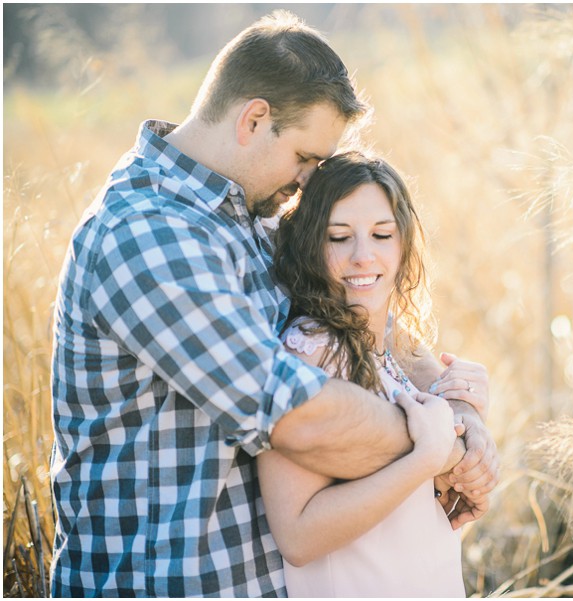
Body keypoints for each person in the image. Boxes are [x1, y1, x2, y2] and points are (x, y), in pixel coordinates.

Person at [48, 11, 498, 597]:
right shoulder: (145, 236)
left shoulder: (249, 218)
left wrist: (458, 407)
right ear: (254, 119)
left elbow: (365, 327)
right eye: (306, 158)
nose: (310, 180)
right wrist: (435, 445)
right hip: (166, 583)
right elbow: (291, 411)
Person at [261, 152, 484, 597]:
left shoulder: (390, 347)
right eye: (339, 237)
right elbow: (298, 536)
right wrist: (426, 459)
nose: (364, 256)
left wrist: (471, 431)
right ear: (310, 245)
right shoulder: (313, 350)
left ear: (404, 244)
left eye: (382, 234)